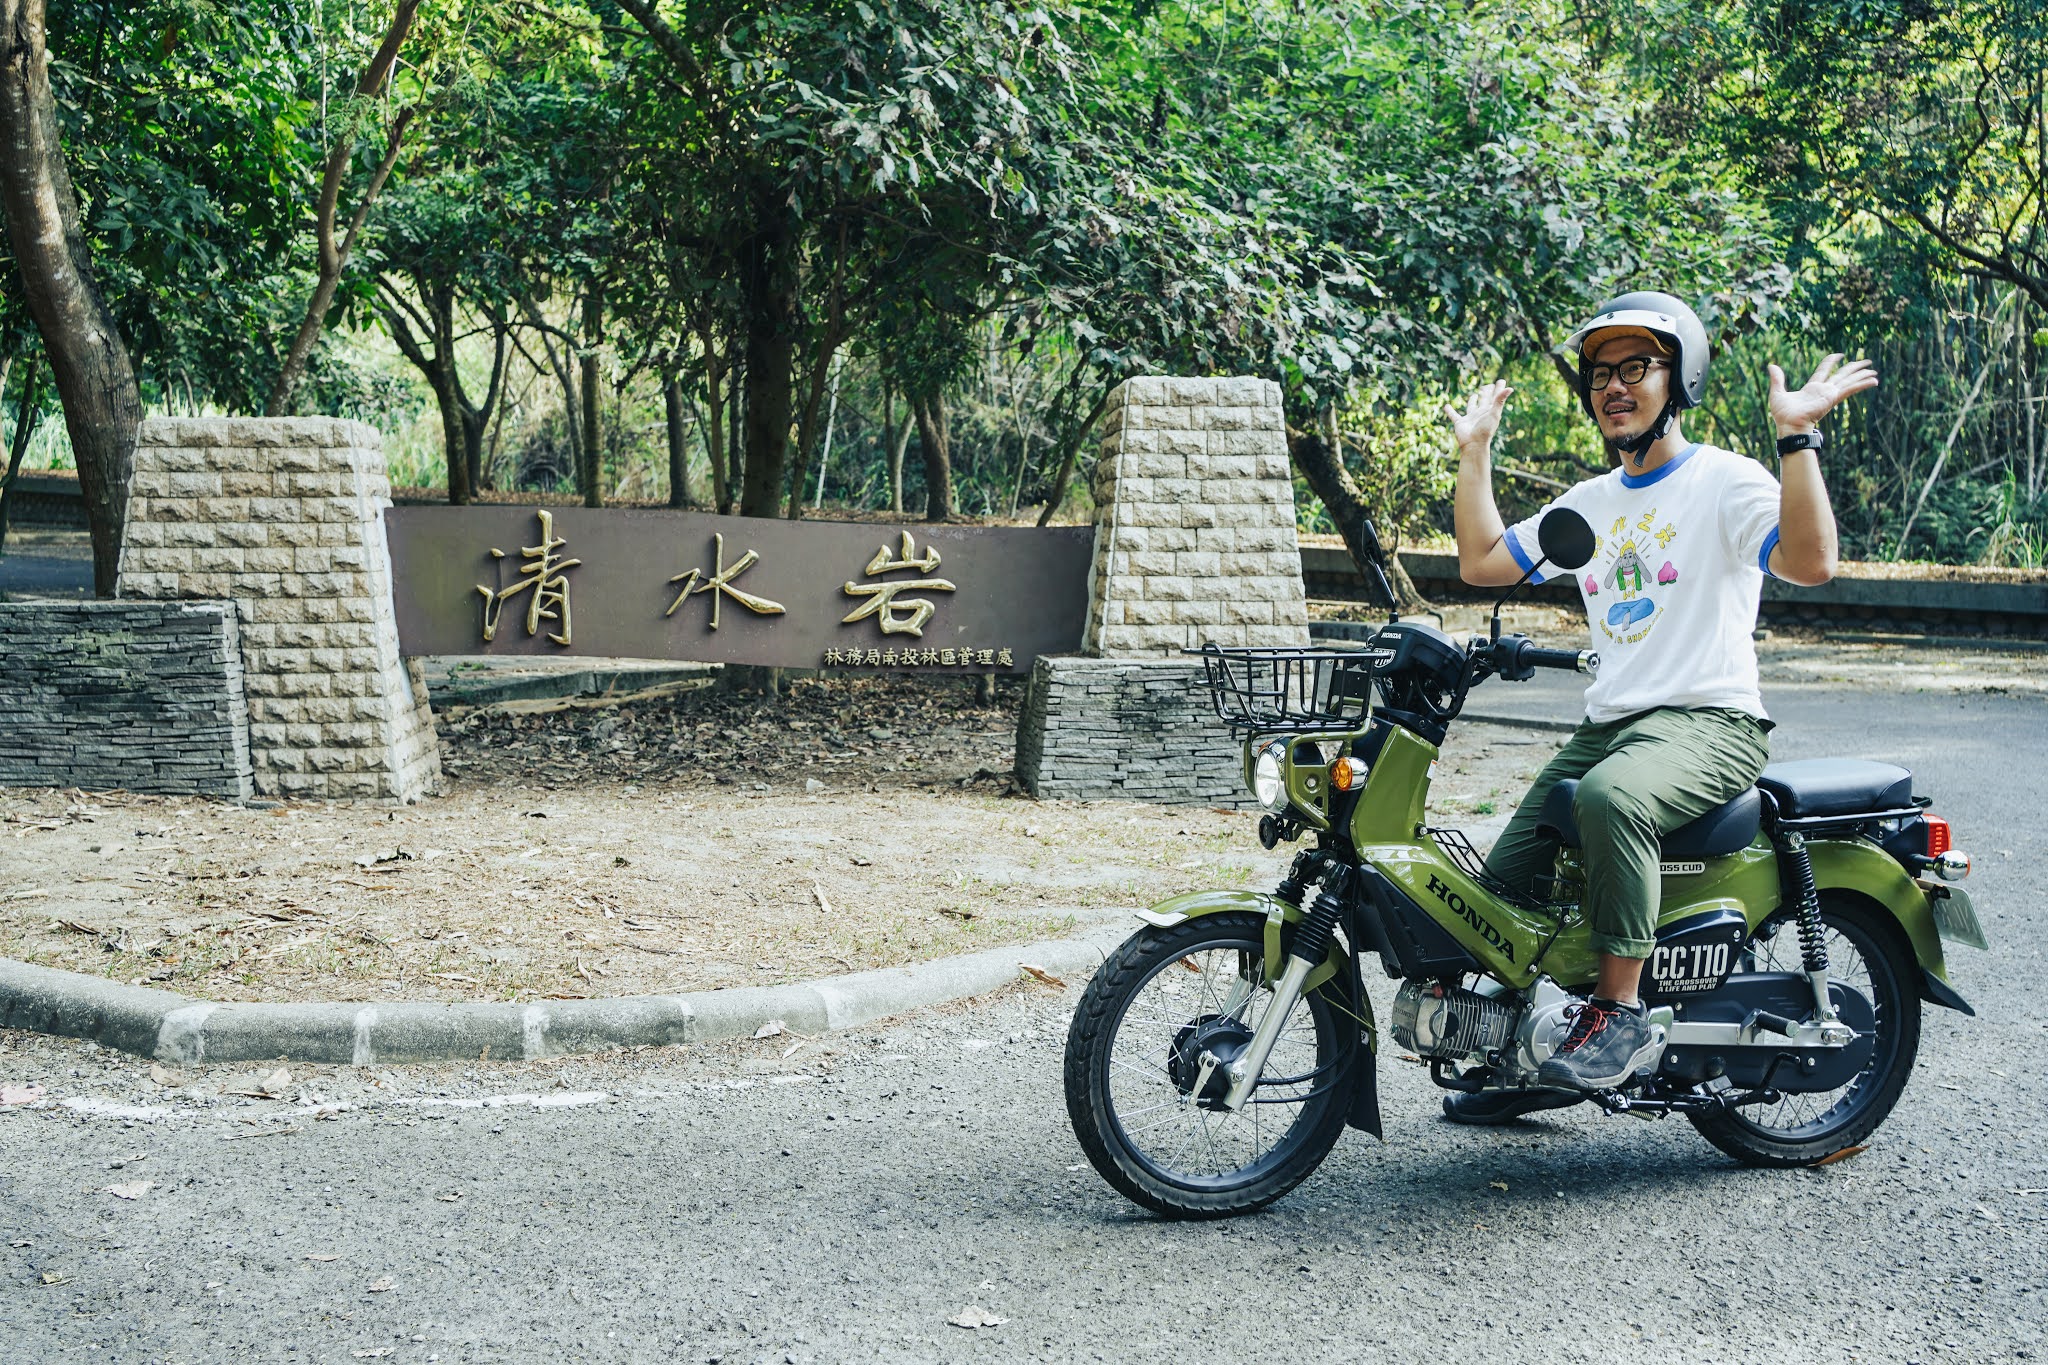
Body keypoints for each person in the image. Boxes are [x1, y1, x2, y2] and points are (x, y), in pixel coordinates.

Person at [1438, 291, 1877, 1124]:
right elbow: (1484, 562)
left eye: (1635, 367)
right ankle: (1524, 1052)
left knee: (1611, 799)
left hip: (1712, 722)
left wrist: (1797, 437)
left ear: (1680, 379)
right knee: (1501, 886)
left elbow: (1813, 561)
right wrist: (1475, 452)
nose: (1614, 386)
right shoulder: (1593, 502)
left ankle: (1621, 1014)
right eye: (1602, 372)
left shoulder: (1724, 481)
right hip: (1612, 727)